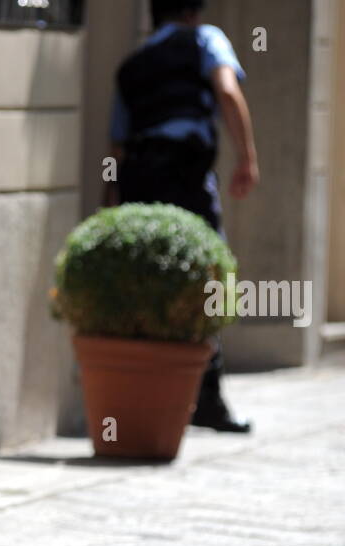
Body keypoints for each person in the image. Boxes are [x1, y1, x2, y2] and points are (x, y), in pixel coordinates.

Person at [109, 0, 259, 432]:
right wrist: (247, 158)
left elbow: (117, 146)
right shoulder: (206, 39)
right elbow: (227, 91)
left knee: (146, 283)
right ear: (194, 11)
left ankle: (140, 404)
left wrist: (111, 205)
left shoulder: (132, 65)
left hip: (140, 180)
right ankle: (208, 398)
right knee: (214, 281)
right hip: (188, 175)